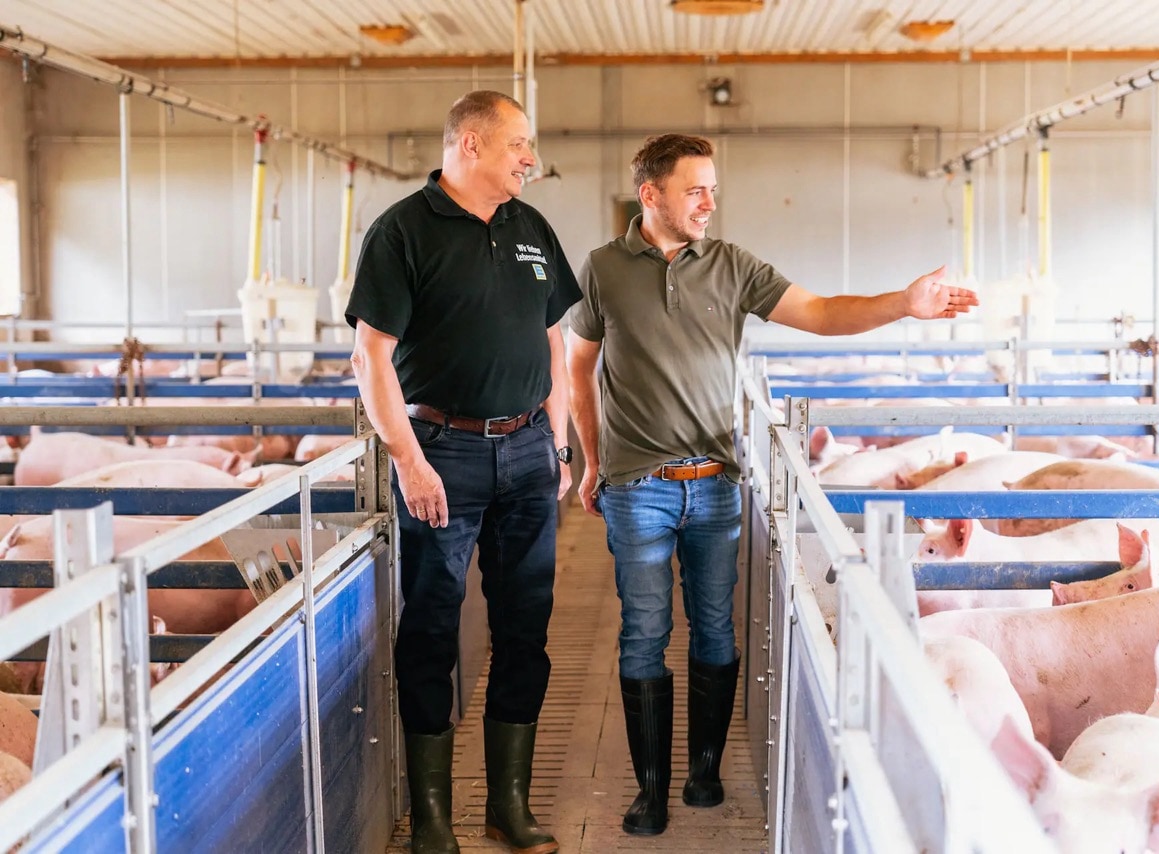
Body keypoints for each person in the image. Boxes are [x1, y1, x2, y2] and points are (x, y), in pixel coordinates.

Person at [565, 133, 977, 836]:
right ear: (652, 195)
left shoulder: (731, 266)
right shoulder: (603, 268)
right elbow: (580, 366)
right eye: (695, 189)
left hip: (716, 481)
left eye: (714, 189)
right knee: (642, 631)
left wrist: (903, 304)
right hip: (639, 486)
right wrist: (592, 460)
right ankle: (650, 791)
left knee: (715, 630)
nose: (709, 202)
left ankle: (702, 769)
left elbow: (820, 313)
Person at [347, 90, 579, 854]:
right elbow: (369, 358)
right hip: (439, 453)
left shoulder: (531, 228)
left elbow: (556, 343)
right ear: (470, 144)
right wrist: (408, 462)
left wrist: (558, 443)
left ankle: (508, 805)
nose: (530, 158)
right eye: (519, 144)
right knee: (430, 629)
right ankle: (434, 820)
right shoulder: (403, 231)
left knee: (526, 629)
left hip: (525, 455)